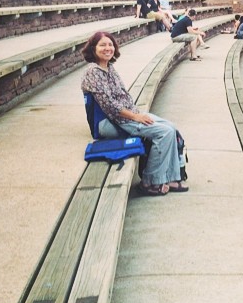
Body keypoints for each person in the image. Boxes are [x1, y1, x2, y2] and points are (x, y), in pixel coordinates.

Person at [80, 32, 187, 196]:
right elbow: (110, 106)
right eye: (102, 45)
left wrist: (136, 113)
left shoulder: (108, 67)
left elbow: (121, 96)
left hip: (128, 113)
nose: (108, 48)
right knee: (164, 133)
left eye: (110, 44)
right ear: (93, 49)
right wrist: (136, 117)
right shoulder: (93, 72)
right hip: (111, 121)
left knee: (171, 127)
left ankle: (171, 177)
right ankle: (150, 181)